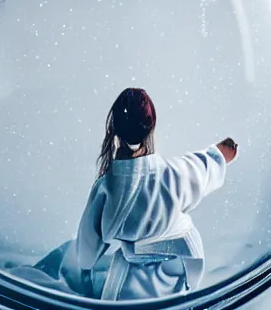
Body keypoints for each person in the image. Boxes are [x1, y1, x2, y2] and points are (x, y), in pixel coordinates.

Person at [32, 87, 236, 297]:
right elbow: (201, 167)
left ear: (115, 129)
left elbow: (87, 248)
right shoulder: (175, 175)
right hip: (175, 279)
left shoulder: (107, 188)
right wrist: (218, 155)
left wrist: (85, 269)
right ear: (151, 127)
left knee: (66, 258)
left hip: (126, 288)